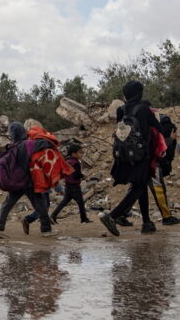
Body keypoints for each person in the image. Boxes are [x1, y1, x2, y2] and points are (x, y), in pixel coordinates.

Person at [101, 81, 164, 236]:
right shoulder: (144, 109)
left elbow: (121, 131)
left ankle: (147, 223)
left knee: (140, 185)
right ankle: (113, 216)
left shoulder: (121, 109)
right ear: (139, 93)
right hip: (142, 155)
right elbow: (160, 128)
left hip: (124, 155)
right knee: (139, 186)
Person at [0, 122, 54, 239]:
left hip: (16, 181)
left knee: (7, 204)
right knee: (41, 204)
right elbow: (46, 143)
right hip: (29, 181)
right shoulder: (29, 144)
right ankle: (46, 230)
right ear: (23, 131)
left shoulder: (12, 146)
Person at [50, 144, 91, 224]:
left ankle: (53, 216)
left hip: (68, 185)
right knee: (81, 202)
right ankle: (84, 219)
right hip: (75, 186)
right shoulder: (76, 163)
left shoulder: (67, 161)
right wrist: (83, 176)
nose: (82, 154)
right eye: (80, 152)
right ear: (73, 154)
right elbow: (76, 175)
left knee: (64, 202)